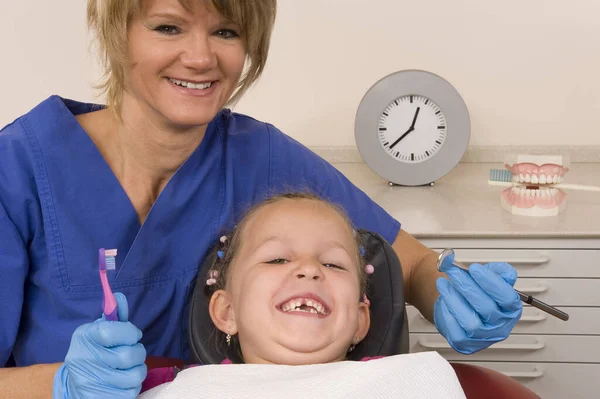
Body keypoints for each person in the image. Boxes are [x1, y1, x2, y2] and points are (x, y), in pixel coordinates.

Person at [0, 0, 522, 397]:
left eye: (226, 31)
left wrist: (450, 293)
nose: (201, 57)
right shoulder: (18, 168)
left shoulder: (259, 157)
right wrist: (60, 384)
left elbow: (407, 266)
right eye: (167, 27)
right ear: (119, 34)